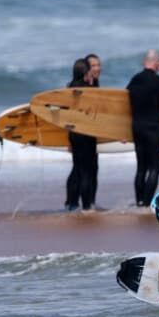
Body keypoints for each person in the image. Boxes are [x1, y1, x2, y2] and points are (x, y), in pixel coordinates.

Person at [127, 49, 159, 207]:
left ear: (144, 62)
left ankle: (139, 202)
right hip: (153, 129)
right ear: (158, 64)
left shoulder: (134, 80)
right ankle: (146, 204)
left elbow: (123, 100)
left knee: (141, 168)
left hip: (137, 128)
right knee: (154, 168)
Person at [65, 57, 99, 211]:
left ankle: (72, 204)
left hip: (73, 133)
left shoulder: (69, 89)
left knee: (77, 168)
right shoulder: (88, 90)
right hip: (86, 133)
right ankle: (86, 207)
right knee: (86, 171)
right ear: (85, 73)